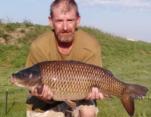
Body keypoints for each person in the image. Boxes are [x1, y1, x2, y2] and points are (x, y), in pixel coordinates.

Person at [25, 0, 104, 117]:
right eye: (59, 21)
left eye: (70, 20)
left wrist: (93, 93)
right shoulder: (39, 46)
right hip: (43, 105)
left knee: (87, 112)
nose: (65, 27)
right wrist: (41, 95)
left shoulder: (91, 45)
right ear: (50, 21)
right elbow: (30, 84)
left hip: (79, 98)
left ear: (78, 21)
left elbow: (99, 79)